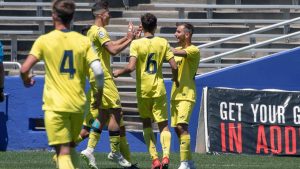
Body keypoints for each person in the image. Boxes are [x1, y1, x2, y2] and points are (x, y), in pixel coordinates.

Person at [20, 1, 104, 169]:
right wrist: (98, 94)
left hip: (55, 105)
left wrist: (27, 80)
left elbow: (24, 69)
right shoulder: (82, 41)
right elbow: (98, 70)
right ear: (72, 17)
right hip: (77, 105)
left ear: (54, 16)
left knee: (62, 152)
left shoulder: (44, 40)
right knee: (71, 146)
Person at [113, 13, 179, 169]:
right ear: (155, 26)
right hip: (158, 89)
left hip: (143, 90)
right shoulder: (163, 42)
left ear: (142, 26)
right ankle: (166, 158)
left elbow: (130, 67)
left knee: (146, 124)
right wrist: (175, 79)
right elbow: (174, 66)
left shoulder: (136, 44)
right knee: (163, 125)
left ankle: (155, 159)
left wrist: (118, 72)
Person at [78, 1, 138, 169]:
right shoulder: (100, 31)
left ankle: (89, 150)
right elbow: (112, 50)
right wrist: (131, 40)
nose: (110, 15)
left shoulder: (91, 31)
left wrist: (127, 37)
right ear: (101, 15)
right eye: (108, 13)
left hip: (94, 76)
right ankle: (114, 151)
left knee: (103, 115)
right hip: (103, 76)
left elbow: (109, 46)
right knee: (117, 112)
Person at [171, 22, 200, 169]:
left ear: (187, 34)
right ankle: (189, 162)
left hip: (187, 94)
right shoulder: (176, 49)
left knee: (182, 126)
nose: (175, 35)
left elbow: (176, 53)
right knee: (177, 128)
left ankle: (183, 164)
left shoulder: (194, 50)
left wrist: (161, 46)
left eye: (178, 32)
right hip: (175, 94)